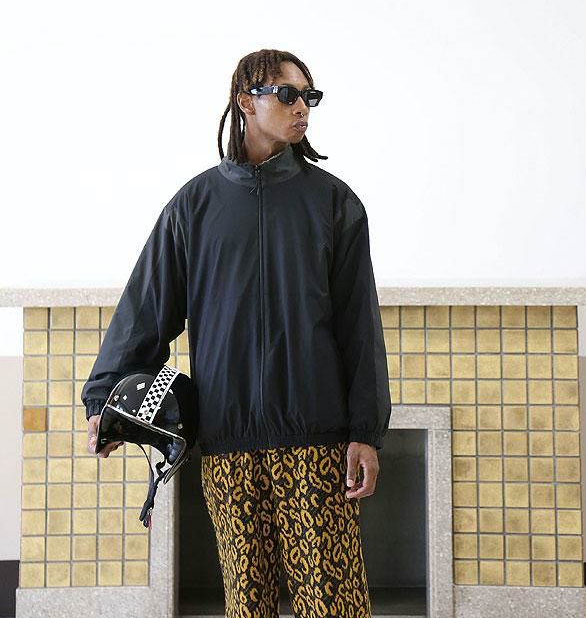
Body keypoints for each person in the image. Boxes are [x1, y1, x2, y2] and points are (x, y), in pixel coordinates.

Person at [83, 48, 391, 617]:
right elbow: (146, 308)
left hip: (315, 443)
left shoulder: (334, 202)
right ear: (246, 100)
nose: (302, 108)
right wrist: (106, 400)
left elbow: (360, 329)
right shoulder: (194, 206)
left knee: (335, 604)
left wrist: (366, 431)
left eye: (309, 97)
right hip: (228, 446)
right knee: (247, 604)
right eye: (288, 94)